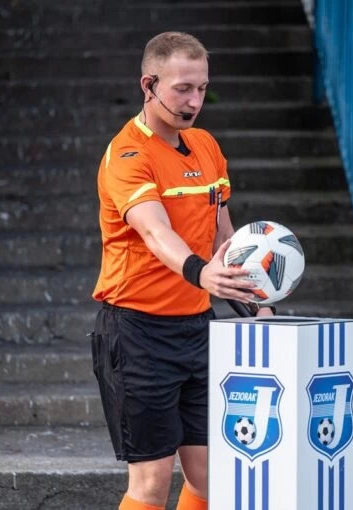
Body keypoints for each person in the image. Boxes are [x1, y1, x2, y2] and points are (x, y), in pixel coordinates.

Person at [91, 31, 273, 510]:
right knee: (151, 483)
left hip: (197, 329)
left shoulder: (206, 145)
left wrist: (254, 299)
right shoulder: (127, 155)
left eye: (202, 89)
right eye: (182, 89)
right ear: (148, 85)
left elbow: (222, 235)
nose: (194, 101)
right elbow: (155, 232)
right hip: (137, 332)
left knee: (212, 476)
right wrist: (200, 272)